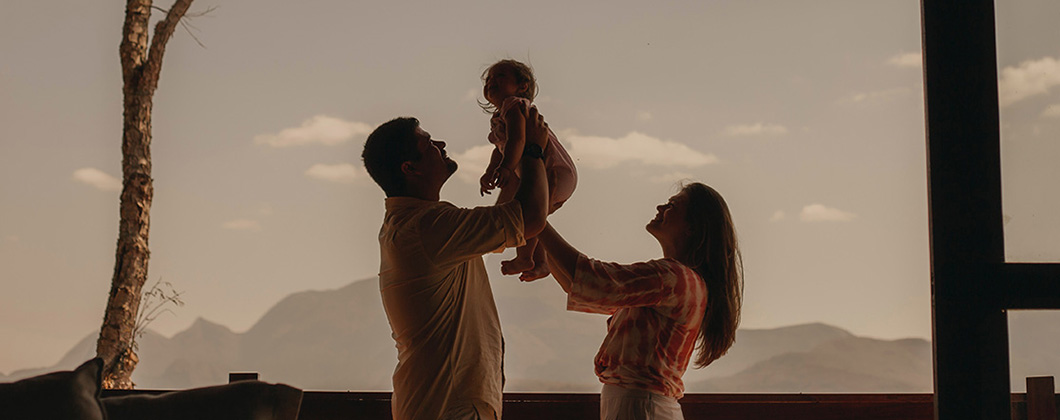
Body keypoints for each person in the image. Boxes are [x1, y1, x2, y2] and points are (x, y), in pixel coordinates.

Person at [361, 110, 550, 420]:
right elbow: (529, 217)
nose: (441, 144)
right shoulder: (427, 228)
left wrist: (510, 154)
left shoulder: (417, 226)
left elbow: (509, 216)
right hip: (448, 408)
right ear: (410, 168)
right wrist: (533, 149)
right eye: (429, 144)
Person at [535, 182, 743, 420]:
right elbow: (580, 285)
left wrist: (538, 221)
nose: (660, 207)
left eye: (672, 205)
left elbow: (594, 280)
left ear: (692, 228)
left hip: (642, 407)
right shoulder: (680, 281)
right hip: (641, 406)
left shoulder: (674, 278)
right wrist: (540, 230)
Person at [478, 59, 578, 282]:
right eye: (488, 79)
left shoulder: (514, 105)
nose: (491, 82)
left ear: (522, 86)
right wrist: (491, 170)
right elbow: (501, 148)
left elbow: (518, 139)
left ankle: (524, 258)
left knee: (527, 215)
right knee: (536, 218)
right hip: (556, 173)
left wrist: (506, 167)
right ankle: (540, 262)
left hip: (553, 170)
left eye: (500, 76)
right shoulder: (500, 116)